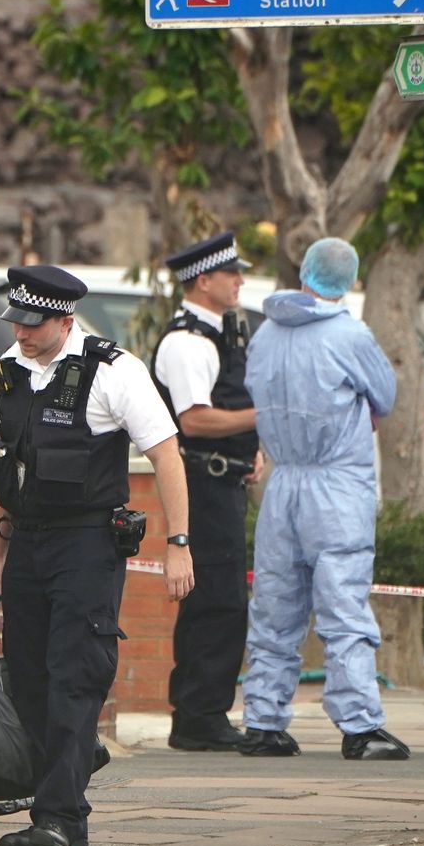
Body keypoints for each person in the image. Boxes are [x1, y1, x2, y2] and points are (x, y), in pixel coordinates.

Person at [0, 266, 194, 846]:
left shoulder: (113, 370)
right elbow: (7, 467)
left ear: (64, 319)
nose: (21, 334)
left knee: (74, 676)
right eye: (17, 322)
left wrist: (178, 542)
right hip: (27, 541)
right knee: (27, 676)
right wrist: (0, 551)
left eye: (33, 324)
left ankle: (56, 819)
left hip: (87, 544)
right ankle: (72, 781)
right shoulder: (10, 368)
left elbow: (166, 455)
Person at [240, 238, 408, 760]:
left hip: (283, 484)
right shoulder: (349, 334)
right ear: (350, 280)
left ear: (306, 271)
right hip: (336, 485)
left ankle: (263, 721)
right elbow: (385, 395)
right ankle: (360, 726)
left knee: (273, 605)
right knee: (343, 607)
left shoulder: (265, 333)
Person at [152, 231, 262, 751]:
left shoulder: (219, 334)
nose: (240, 280)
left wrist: (249, 448)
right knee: (214, 601)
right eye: (231, 272)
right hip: (202, 483)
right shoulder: (187, 342)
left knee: (223, 600)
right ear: (203, 279)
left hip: (224, 480)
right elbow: (193, 421)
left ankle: (204, 711)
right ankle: (197, 715)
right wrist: (265, 418)